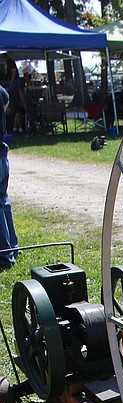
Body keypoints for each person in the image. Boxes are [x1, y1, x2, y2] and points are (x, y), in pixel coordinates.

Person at [0, 84, 19, 271]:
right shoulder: (0, 90)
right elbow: (6, 103)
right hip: (2, 154)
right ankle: (13, 246)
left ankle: (4, 255)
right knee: (3, 202)